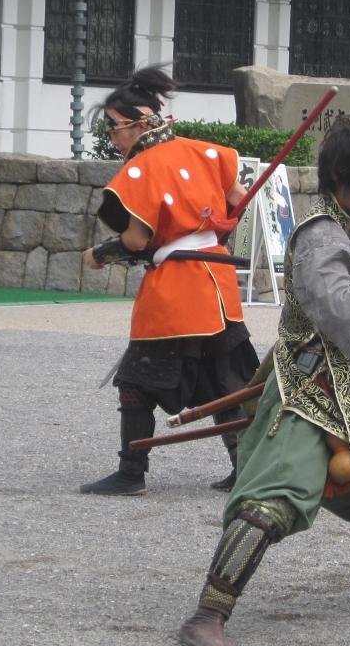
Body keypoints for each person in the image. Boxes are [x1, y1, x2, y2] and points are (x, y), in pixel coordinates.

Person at [176, 112, 350, 646]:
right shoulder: (318, 235)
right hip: (305, 388)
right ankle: (207, 615)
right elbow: (346, 310)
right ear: (342, 175)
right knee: (270, 501)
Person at [80, 66, 259, 496]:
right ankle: (246, 469)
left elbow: (137, 240)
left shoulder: (142, 169)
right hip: (217, 284)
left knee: (136, 380)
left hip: (177, 290)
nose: (113, 138)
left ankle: (131, 473)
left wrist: (100, 254)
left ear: (140, 123)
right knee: (226, 380)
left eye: (114, 128)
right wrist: (216, 228)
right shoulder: (205, 152)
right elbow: (239, 201)